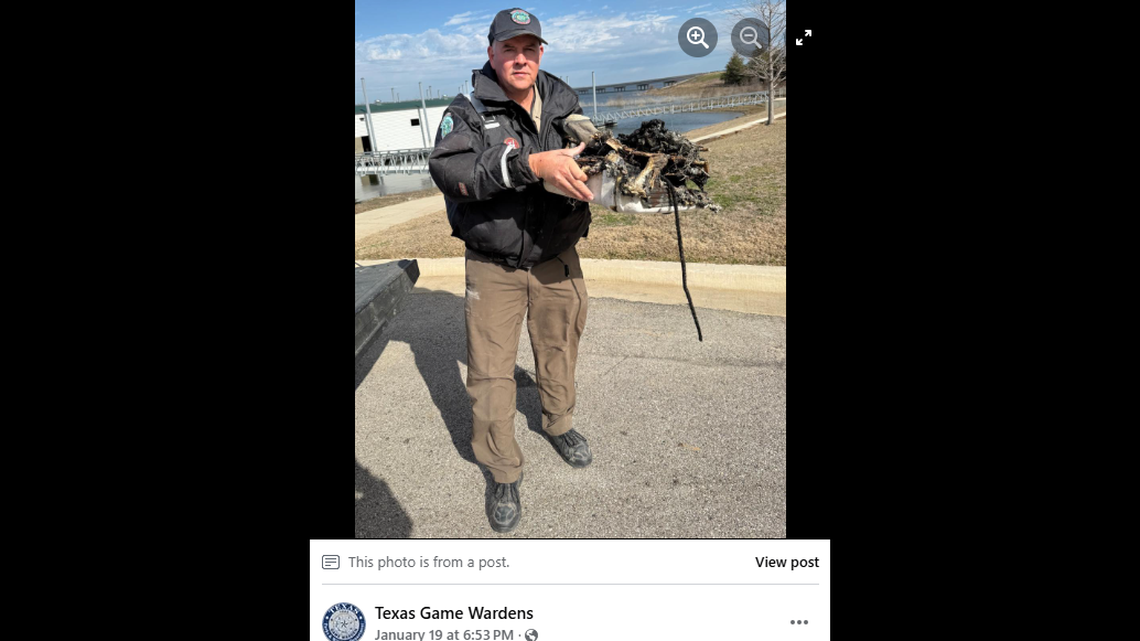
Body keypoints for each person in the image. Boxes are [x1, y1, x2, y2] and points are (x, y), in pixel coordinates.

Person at [428, 8, 595, 533]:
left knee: (560, 348)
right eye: (509, 49)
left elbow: (586, 154)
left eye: (529, 49)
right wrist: (529, 165)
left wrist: (604, 160)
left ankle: (559, 423)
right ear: (491, 52)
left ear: (540, 53)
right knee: (490, 372)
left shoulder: (563, 100)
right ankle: (502, 469)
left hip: (558, 255)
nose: (520, 59)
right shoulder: (467, 109)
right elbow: (450, 170)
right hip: (493, 264)